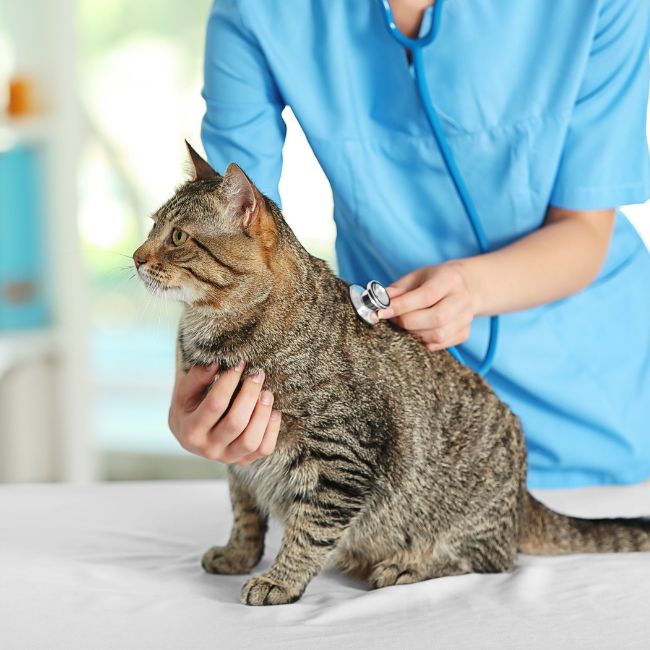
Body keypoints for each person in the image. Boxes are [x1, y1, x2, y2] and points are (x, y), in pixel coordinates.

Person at [168, 0, 650, 488]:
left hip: (592, 409)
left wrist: (471, 287)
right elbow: (222, 234)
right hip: (393, 424)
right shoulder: (256, 12)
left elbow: (587, 228)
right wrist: (196, 390)